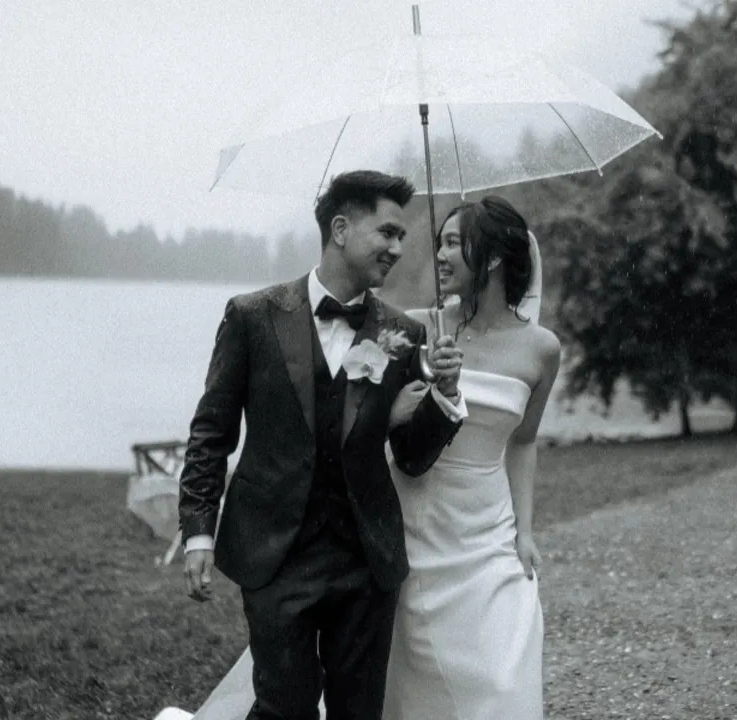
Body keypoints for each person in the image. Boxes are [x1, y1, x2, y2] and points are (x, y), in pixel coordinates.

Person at [170, 170, 467, 720]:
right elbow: (211, 433)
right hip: (274, 555)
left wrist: (444, 396)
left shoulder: (404, 334)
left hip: (365, 562)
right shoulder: (252, 316)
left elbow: (412, 456)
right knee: (284, 709)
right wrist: (198, 532)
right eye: (387, 233)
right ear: (340, 229)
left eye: (402, 237)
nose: (398, 249)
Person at [382, 195, 561, 719]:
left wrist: (524, 532)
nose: (439, 255)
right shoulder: (415, 330)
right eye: (439, 243)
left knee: (502, 674)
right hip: (417, 524)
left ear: (496, 256)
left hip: (489, 532)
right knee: (413, 675)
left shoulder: (541, 349)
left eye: (454, 243)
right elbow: (372, 422)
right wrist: (411, 395)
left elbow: (523, 441)